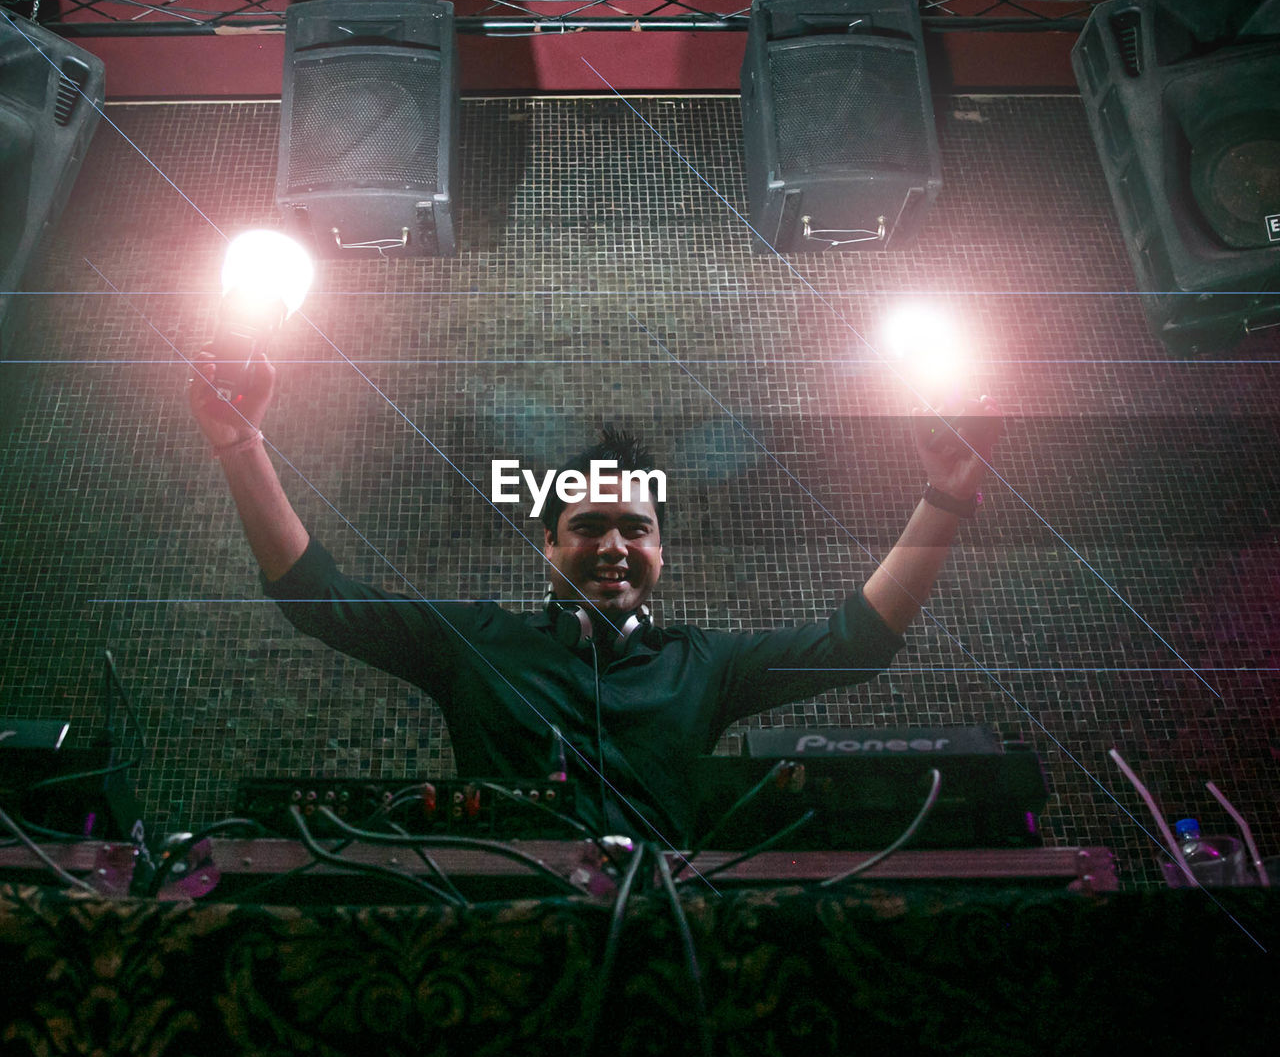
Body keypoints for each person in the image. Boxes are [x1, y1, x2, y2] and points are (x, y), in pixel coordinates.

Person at [188, 351, 1001, 844]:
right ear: (548, 545)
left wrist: (946, 496)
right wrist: (238, 442)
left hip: (667, 933)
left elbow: (855, 643)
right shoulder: (477, 642)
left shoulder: (703, 665)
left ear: (660, 550)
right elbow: (315, 595)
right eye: (588, 526)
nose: (613, 546)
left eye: (635, 529)